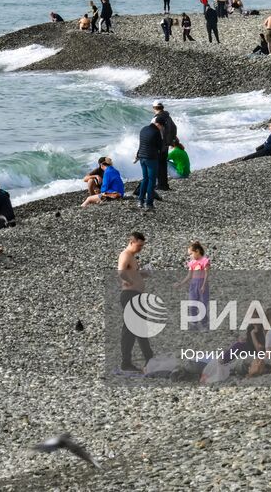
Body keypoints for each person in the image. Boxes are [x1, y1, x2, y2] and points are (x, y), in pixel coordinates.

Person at [117, 232, 153, 372]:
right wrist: (129, 281)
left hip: (135, 295)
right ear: (131, 242)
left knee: (136, 329)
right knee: (133, 330)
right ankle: (135, 361)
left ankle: (143, 359)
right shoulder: (125, 254)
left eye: (142, 246)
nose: (140, 249)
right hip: (130, 295)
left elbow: (131, 272)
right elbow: (121, 271)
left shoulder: (132, 257)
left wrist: (144, 273)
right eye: (139, 245)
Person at [134, 117, 164, 210]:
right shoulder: (156, 132)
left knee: (145, 179)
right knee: (152, 181)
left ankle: (140, 200)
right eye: (162, 126)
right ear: (158, 124)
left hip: (142, 157)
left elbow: (141, 144)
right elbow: (160, 147)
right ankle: (149, 203)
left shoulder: (143, 129)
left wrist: (137, 155)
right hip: (151, 159)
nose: (162, 128)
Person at [180, 242, 210, 330]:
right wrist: (181, 283)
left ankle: (205, 324)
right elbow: (189, 275)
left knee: (202, 305)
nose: (190, 256)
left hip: (202, 284)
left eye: (191, 254)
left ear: (197, 251)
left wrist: (204, 285)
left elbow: (206, 275)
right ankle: (194, 324)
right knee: (192, 304)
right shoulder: (192, 263)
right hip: (193, 285)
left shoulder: (205, 261)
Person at [152, 102, 178, 192]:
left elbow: (156, 132)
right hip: (166, 144)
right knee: (163, 164)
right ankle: (164, 185)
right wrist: (172, 140)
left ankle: (160, 185)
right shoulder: (167, 116)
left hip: (160, 144)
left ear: (154, 108)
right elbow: (174, 127)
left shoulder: (158, 118)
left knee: (159, 164)